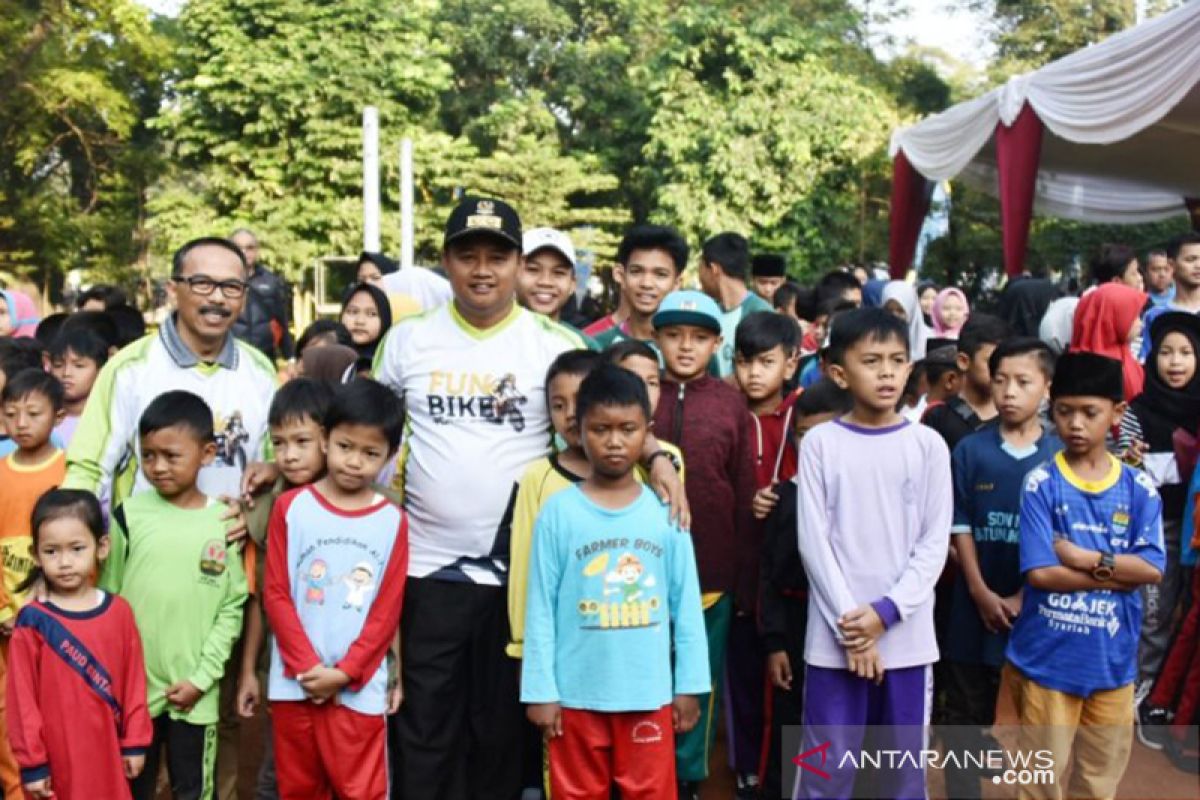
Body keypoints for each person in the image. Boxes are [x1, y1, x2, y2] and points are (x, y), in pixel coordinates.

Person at [375, 197, 685, 800]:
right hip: (425, 570)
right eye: (468, 255)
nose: (483, 269)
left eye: (498, 256)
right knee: (425, 730)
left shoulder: (554, 344)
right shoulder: (406, 343)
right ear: (446, 261)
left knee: (499, 736)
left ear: (518, 264)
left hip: (522, 579)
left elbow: (613, 422)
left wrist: (660, 457)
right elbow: (365, 437)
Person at [521, 365, 710, 800]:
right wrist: (540, 691)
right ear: (579, 430)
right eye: (600, 429)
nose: (613, 441)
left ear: (647, 431)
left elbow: (686, 607)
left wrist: (689, 687)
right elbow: (540, 608)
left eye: (627, 429)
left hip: (649, 695)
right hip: (575, 699)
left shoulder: (667, 511)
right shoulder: (559, 513)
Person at [795, 307, 951, 800]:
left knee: (902, 774)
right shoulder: (820, 443)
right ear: (839, 372)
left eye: (897, 360)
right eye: (871, 360)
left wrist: (885, 614)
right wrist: (854, 627)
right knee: (826, 769)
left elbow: (933, 542)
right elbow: (813, 543)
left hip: (906, 640)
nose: (886, 372)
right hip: (835, 641)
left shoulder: (928, 446)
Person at [1004, 352, 1165, 800]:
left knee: (1098, 783)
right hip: (1046, 661)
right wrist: (1117, 572)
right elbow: (1040, 574)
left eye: (1090, 412)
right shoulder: (1041, 483)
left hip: (1112, 662)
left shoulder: (1139, 488)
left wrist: (1079, 555)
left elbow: (1151, 569)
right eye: (1065, 411)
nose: (1076, 423)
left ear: (1117, 413)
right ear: (1051, 410)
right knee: (1038, 783)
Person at [100, 391, 248, 800]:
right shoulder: (128, 515)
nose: (157, 467)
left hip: (194, 695)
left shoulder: (224, 523)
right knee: (133, 788)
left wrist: (201, 679)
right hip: (133, 695)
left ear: (206, 453)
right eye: (148, 456)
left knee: (194, 790)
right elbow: (108, 600)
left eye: (171, 455)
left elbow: (232, 609)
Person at [264, 379, 408, 799]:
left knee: (360, 789)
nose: (354, 462)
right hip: (295, 685)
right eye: (345, 447)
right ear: (326, 439)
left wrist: (346, 673)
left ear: (389, 456)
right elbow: (276, 593)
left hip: (358, 691)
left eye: (370, 453)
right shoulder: (291, 509)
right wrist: (309, 669)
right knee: (299, 790)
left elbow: (387, 609)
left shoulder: (392, 519)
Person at [65, 236, 278, 504]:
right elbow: (89, 469)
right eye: (202, 284)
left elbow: (273, 465)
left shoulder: (260, 372)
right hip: (146, 542)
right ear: (173, 291)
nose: (218, 297)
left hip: (233, 542)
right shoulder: (130, 368)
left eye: (231, 287)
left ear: (244, 297)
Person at [941, 338, 1060, 799]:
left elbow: (1058, 541)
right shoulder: (970, 451)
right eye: (1001, 379)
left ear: (1046, 389)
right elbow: (960, 524)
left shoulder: (1057, 457)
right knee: (965, 717)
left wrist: (1021, 597)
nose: (1009, 391)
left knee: (1035, 721)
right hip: (971, 609)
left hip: (1036, 612)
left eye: (1023, 382)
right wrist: (978, 590)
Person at [649, 290, 754, 797]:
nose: (685, 347)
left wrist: (743, 576)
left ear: (717, 342)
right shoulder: (640, 393)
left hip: (712, 571)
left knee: (698, 681)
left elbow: (743, 493)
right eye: (673, 335)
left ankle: (688, 777)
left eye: (698, 338)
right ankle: (647, 771)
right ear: (656, 337)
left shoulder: (731, 403)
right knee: (648, 676)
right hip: (640, 573)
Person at [6, 489, 152, 800]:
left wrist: (135, 741)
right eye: (51, 551)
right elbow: (22, 700)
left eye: (76, 548)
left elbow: (134, 683)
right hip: (56, 762)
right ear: (35, 555)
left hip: (109, 754)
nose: (64, 562)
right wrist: (33, 764)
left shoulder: (120, 612)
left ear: (101, 547)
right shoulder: (32, 621)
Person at [759, 378, 851, 800]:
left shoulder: (859, 492)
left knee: (843, 720)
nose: (813, 444)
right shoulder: (782, 497)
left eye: (822, 433)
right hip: (795, 623)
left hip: (847, 623)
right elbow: (770, 576)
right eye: (802, 435)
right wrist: (775, 642)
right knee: (791, 721)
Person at [1116, 312, 1200, 745]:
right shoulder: (1138, 411)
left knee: (1189, 614)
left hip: (1196, 531)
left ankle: (1169, 693)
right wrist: (1128, 458)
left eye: (1186, 352)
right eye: (1166, 351)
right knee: (1156, 614)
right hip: (1158, 527)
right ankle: (1142, 689)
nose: (1175, 361)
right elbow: (1116, 465)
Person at [0, 369, 66, 798]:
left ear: (58, 417)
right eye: (10, 414)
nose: (21, 423)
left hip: (54, 618)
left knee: (54, 707)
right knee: (8, 712)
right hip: (5, 621)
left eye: (33, 413)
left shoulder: (69, 471)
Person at [922, 314, 1011, 452]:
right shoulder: (938, 417)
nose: (999, 369)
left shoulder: (1012, 413)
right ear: (963, 361)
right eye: (991, 362)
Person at [591, 225, 687, 351]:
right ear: (620, 275)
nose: (646, 283)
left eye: (660, 274)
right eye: (636, 271)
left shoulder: (691, 352)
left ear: (676, 284)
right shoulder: (598, 346)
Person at [697, 233, 774, 378]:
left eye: (701, 267)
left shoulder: (761, 314)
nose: (699, 276)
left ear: (713, 269)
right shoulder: (709, 314)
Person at [1070, 281, 1146, 403]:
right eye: (1134, 316)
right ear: (1113, 318)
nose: (1140, 323)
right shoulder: (1108, 369)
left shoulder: (1124, 354)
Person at [230, 229, 294, 363]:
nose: (244, 252)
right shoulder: (220, 279)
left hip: (264, 356)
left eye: (250, 247)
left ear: (257, 250)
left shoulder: (271, 281)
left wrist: (290, 358)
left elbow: (281, 321)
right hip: (230, 355)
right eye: (238, 248)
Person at [1140, 233, 1200, 358]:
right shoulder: (1155, 316)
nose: (1198, 266)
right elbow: (1148, 362)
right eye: (1191, 259)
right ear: (1171, 265)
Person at [48, 328, 109, 446]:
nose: (66, 373)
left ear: (101, 370)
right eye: (58, 365)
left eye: (79, 366)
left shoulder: (111, 420)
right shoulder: (37, 418)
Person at [340, 282, 392, 364]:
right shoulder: (328, 357)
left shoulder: (393, 362)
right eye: (353, 312)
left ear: (385, 319)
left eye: (371, 314)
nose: (360, 321)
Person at [880, 280, 930, 359]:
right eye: (889, 310)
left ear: (911, 310)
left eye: (900, 311)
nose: (894, 315)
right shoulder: (876, 337)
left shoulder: (929, 339)